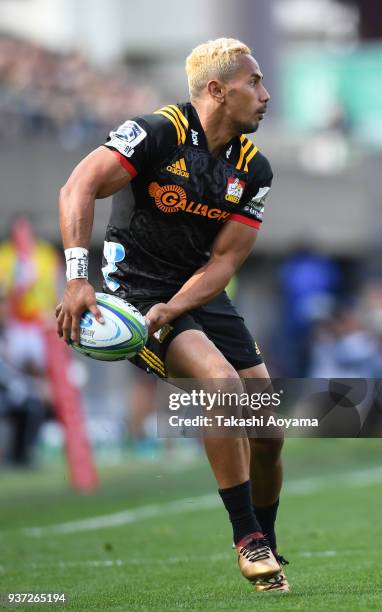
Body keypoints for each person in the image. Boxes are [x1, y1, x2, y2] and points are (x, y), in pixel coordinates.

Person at [56, 38, 288, 592]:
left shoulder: (254, 169)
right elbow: (78, 184)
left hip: (195, 287)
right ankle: (246, 537)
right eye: (253, 83)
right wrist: (75, 276)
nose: (265, 94)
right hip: (131, 285)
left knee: (270, 433)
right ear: (216, 91)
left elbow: (226, 260)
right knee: (220, 383)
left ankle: (270, 546)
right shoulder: (157, 133)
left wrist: (179, 304)